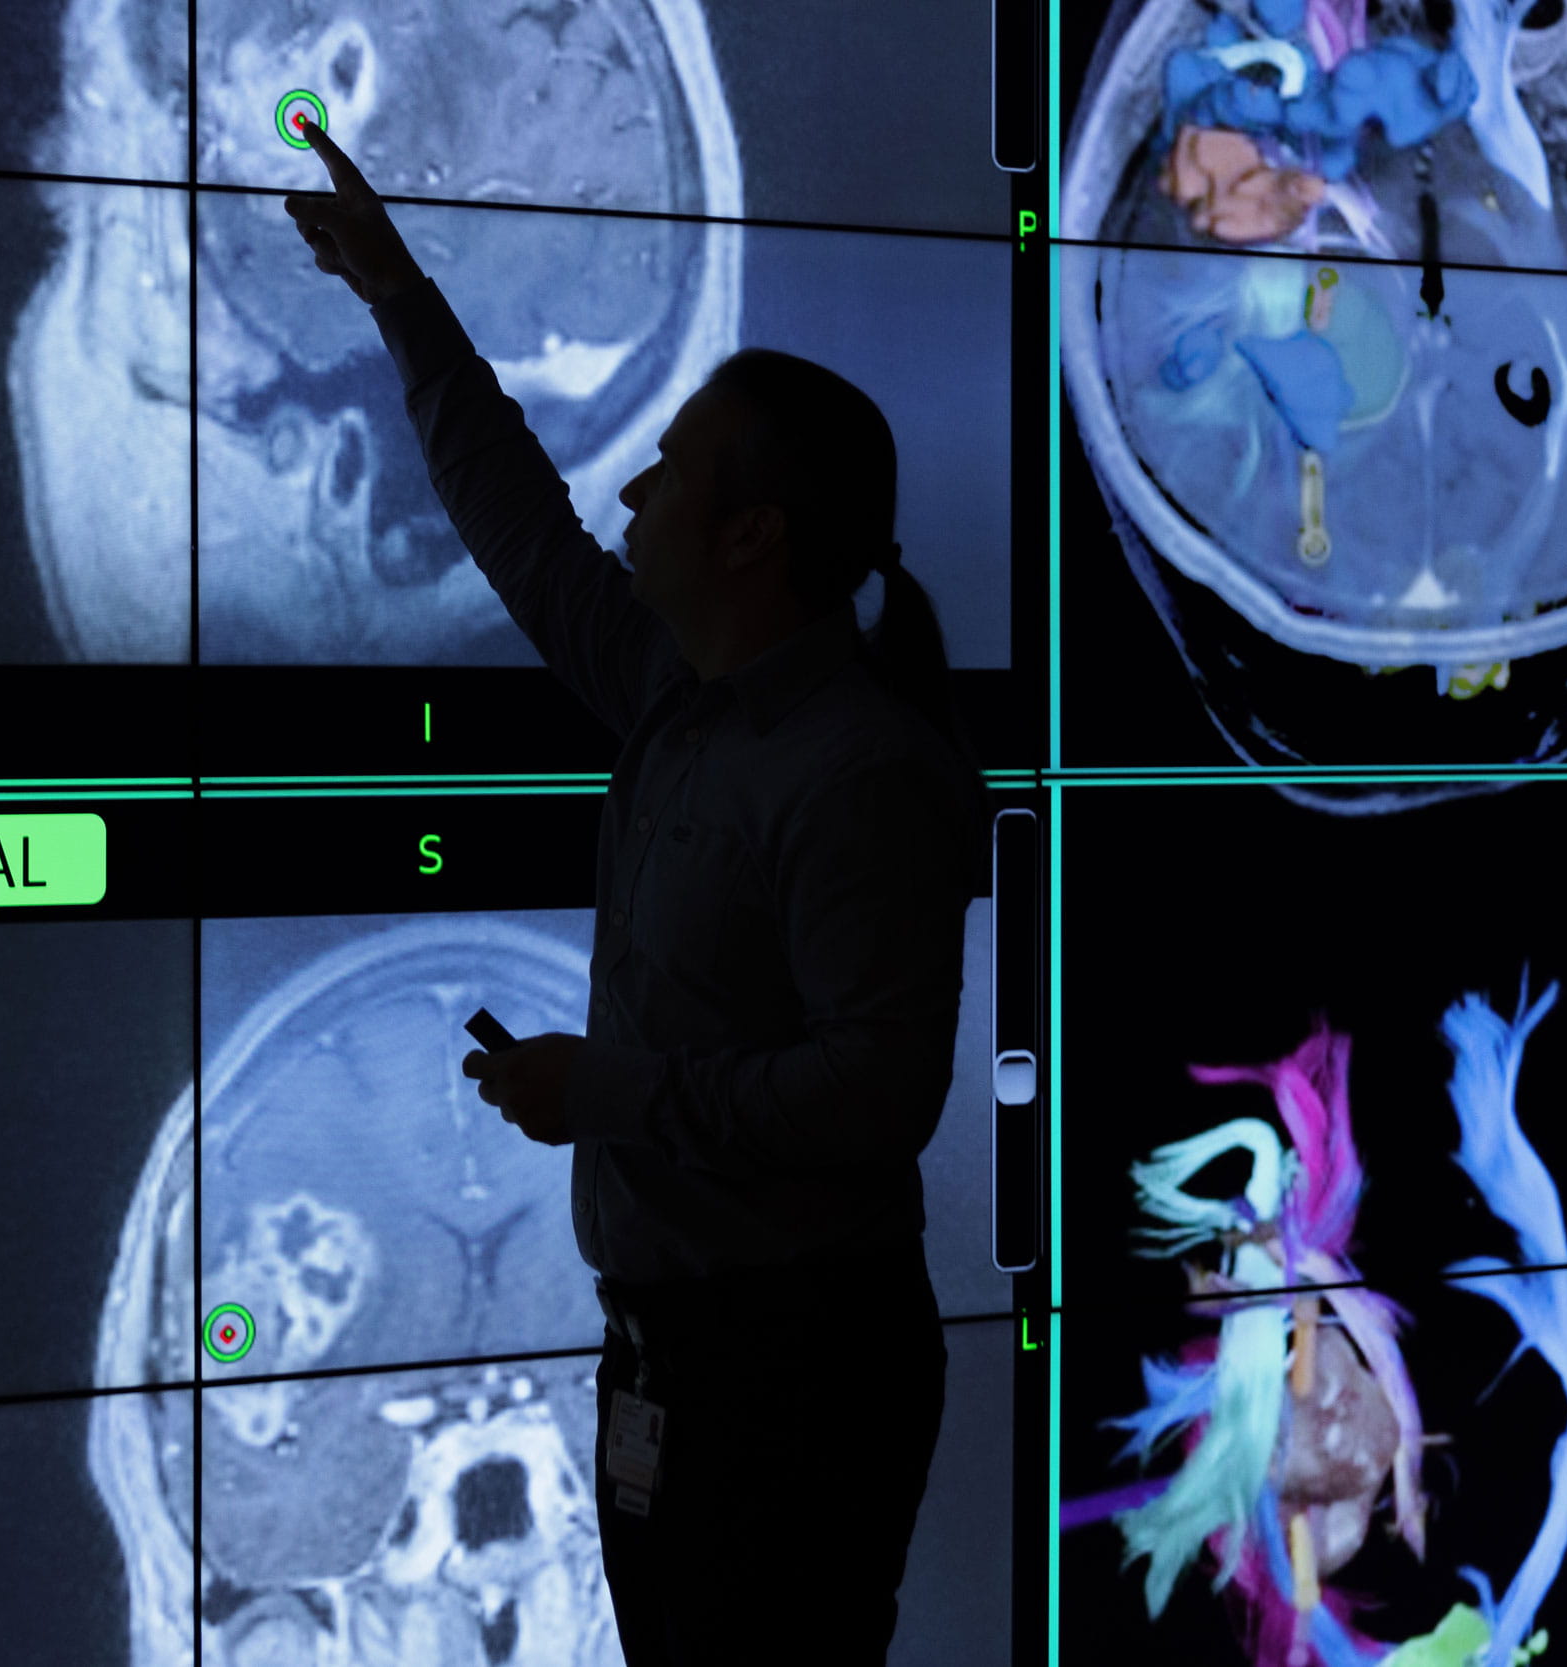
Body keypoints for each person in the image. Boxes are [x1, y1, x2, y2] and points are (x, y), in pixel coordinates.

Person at [285, 117, 990, 1665]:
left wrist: (623, 1091)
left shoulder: (857, 768)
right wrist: (400, 297)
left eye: (665, 472)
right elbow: (524, 524)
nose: (631, 498)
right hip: (674, 1353)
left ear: (752, 535)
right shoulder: (681, 690)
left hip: (795, 1366)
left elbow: (880, 1092)